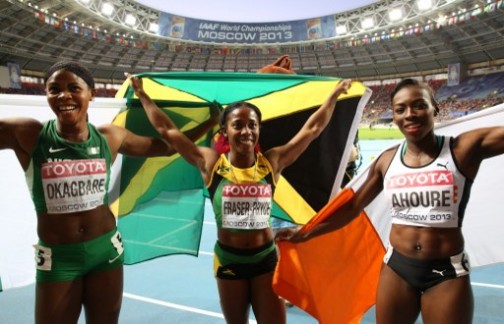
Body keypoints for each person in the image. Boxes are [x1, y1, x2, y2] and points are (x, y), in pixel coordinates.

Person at [0, 61, 218, 324]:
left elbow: (167, 147)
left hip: (106, 251)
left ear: (91, 93)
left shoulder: (110, 137)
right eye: (54, 89)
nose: (63, 96)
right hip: (59, 258)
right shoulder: (28, 133)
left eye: (73, 88)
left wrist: (210, 123)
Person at [276, 78, 504, 324]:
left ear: (434, 109)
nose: (410, 114)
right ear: (393, 116)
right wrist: (306, 233)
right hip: (397, 269)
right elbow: (353, 206)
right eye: (400, 109)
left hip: (445, 272)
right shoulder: (386, 161)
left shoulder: (463, 148)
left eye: (419, 105)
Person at [129, 74, 352, 324]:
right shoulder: (210, 163)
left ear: (258, 129)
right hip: (229, 261)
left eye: (252, 125)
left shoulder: (272, 162)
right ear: (225, 130)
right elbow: (167, 130)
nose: (246, 131)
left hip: (266, 259)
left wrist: (332, 96)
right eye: (238, 125)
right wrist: (143, 95)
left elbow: (312, 130)